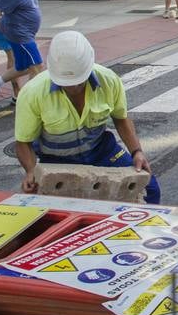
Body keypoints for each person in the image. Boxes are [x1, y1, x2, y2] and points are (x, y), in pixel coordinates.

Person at [14, 31, 162, 204]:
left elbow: (121, 118)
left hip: (101, 151)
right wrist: (32, 171)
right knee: (51, 207)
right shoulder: (33, 93)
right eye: (67, 83)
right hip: (57, 161)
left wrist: (137, 152)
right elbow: (23, 142)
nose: (74, 87)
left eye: (79, 81)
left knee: (149, 189)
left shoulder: (109, 80)